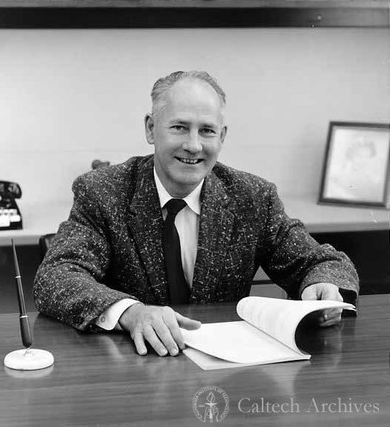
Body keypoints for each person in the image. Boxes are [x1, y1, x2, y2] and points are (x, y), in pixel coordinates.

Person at [34, 70, 359, 358]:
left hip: (226, 371)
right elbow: (56, 277)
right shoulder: (104, 191)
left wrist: (322, 288)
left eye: (206, 131)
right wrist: (131, 312)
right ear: (150, 129)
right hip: (134, 370)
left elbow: (322, 263)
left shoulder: (253, 198)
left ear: (222, 136)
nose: (193, 145)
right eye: (179, 127)